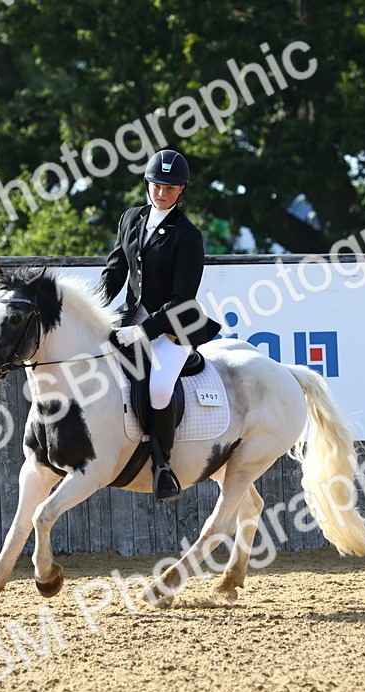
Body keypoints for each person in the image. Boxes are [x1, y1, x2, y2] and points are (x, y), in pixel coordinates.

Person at [100, 149, 222, 502]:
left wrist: (143, 331)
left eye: (170, 187)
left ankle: (162, 465)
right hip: (131, 316)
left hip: (173, 326)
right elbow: (114, 272)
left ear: (181, 190)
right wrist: (96, 309)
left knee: (158, 387)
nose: (161, 192)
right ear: (148, 184)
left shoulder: (187, 235)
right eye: (156, 185)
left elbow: (183, 299)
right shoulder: (131, 218)